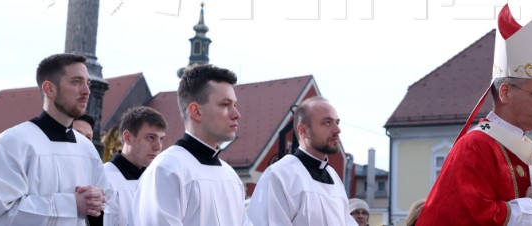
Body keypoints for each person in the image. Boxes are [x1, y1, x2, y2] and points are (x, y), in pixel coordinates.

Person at [416, 4, 532, 226]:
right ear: (505, 92)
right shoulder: (475, 147)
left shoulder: (526, 153)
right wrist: (531, 207)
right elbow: (465, 217)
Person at [0, 54, 119, 226]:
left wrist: (97, 207)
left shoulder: (87, 149)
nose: (87, 91)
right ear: (49, 88)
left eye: (88, 83)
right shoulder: (13, 143)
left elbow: (109, 210)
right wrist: (71, 205)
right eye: (76, 81)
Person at [132, 64, 249, 225]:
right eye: (225, 105)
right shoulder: (167, 170)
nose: (236, 114)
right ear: (196, 111)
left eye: (234, 105)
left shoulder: (231, 176)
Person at [247, 96, 356, 226]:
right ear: (303, 130)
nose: (337, 130)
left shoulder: (334, 177)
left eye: (336, 122)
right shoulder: (279, 175)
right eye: (327, 122)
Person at [104, 106, 167, 226]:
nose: (158, 147)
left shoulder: (157, 181)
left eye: (161, 139)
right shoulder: (104, 178)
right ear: (127, 137)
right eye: (150, 138)